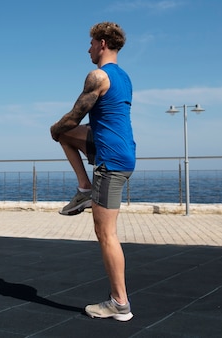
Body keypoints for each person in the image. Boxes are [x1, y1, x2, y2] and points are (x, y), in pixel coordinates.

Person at [50, 22, 136, 321]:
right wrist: (63, 132)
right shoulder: (123, 77)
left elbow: (75, 116)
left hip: (110, 161)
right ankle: (84, 188)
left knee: (106, 233)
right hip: (118, 150)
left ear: (101, 43)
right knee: (66, 136)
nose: (87, 49)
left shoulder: (98, 75)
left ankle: (119, 303)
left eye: (90, 44)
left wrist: (53, 129)